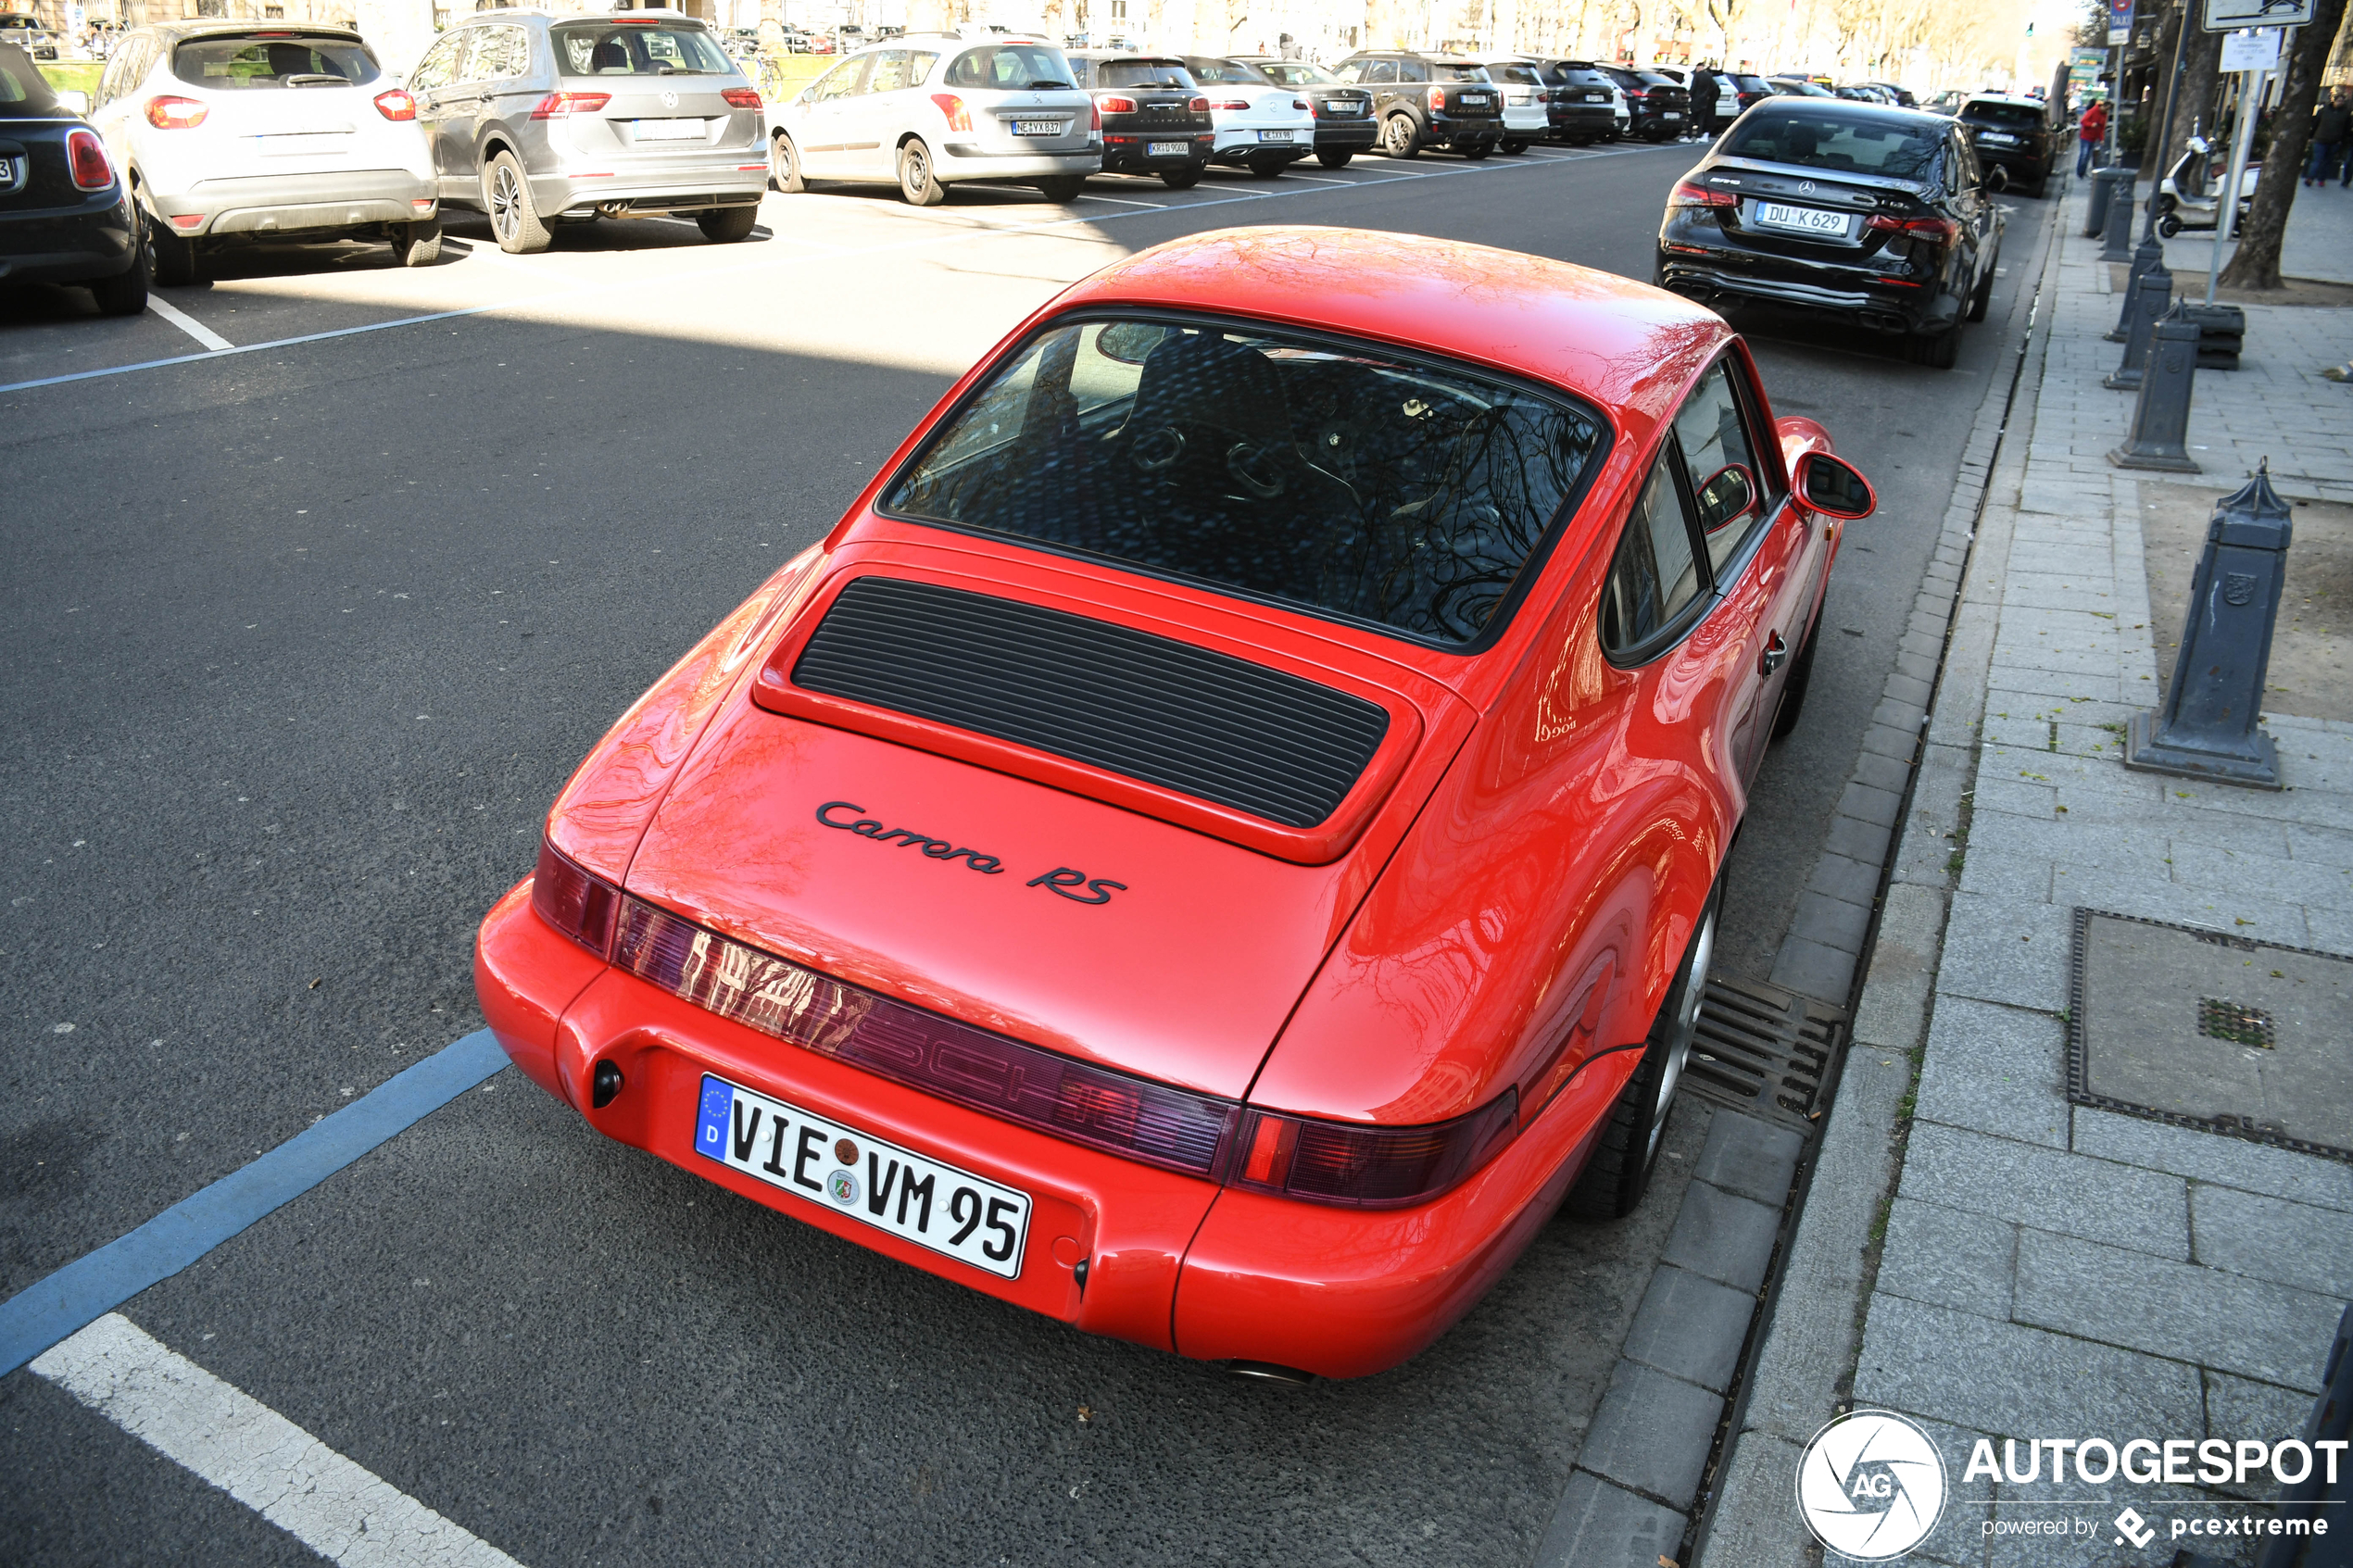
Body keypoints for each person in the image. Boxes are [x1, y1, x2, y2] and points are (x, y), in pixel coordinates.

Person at [2307, 86, 2348, 188]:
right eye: (2338, 101)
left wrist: (2342, 141)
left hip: (2334, 141)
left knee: (2327, 162)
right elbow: (2316, 123)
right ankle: (2310, 178)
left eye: (2342, 101)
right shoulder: (2324, 110)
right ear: (2334, 100)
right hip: (2320, 138)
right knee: (2317, 160)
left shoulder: (2345, 113)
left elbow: (2346, 129)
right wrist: (2311, 136)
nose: (2340, 103)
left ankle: (2322, 179)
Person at [2076, 96, 2108, 179]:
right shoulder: (2093, 111)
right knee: (2084, 154)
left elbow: (2102, 128)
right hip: (2086, 136)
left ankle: (2083, 171)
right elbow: (2083, 121)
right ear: (2102, 106)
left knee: (2088, 155)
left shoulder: (2104, 115)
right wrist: (2091, 124)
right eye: (2105, 108)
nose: (2106, 111)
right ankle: (2080, 172)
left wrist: (2101, 138)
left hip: (2093, 138)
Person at [1690, 61, 1718, 139]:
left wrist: (1691, 94)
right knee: (1701, 119)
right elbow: (1714, 87)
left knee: (1692, 118)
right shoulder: (1709, 76)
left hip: (1696, 100)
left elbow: (1693, 88)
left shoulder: (1697, 76)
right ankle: (1699, 135)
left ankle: (1689, 136)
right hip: (1705, 100)